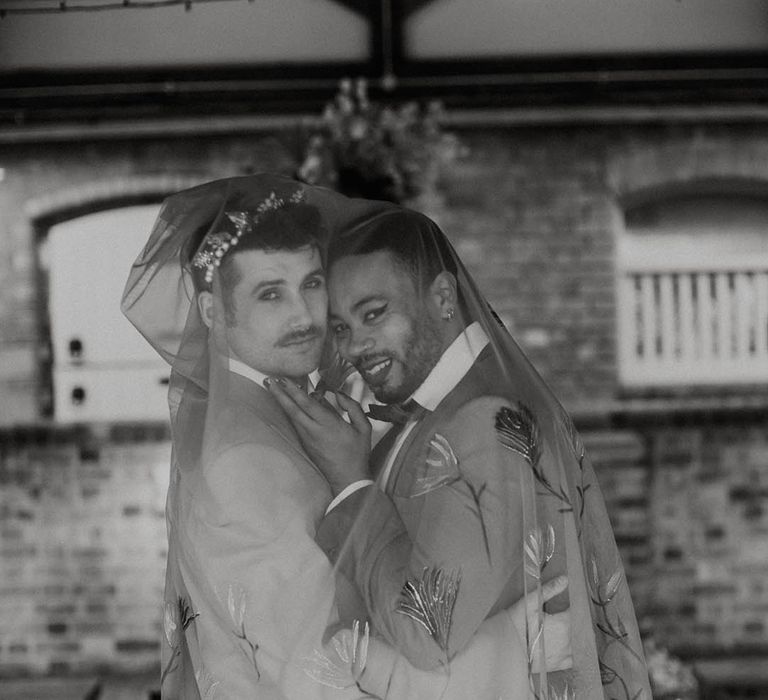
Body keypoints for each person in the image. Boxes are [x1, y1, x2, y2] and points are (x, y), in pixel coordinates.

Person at [122, 174, 569, 699]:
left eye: (312, 283)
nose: (305, 315)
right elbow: (322, 680)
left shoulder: (288, 419)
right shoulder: (244, 461)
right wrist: (510, 646)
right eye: (271, 293)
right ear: (212, 312)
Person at [268, 206, 653, 699]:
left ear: (444, 297)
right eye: (340, 327)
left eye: (374, 313)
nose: (355, 346)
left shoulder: (482, 422)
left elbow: (426, 635)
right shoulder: (436, 413)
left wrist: (351, 485)